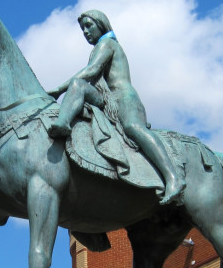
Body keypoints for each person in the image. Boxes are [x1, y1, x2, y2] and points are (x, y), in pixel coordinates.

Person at [47, 10, 186, 205]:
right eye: (82, 29)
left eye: (89, 26)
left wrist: (59, 89)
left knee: (133, 128)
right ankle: (64, 122)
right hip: (108, 99)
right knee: (78, 87)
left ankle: (173, 178)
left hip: (124, 98)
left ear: (101, 24)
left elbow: (92, 71)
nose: (86, 31)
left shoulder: (108, 43)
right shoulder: (96, 48)